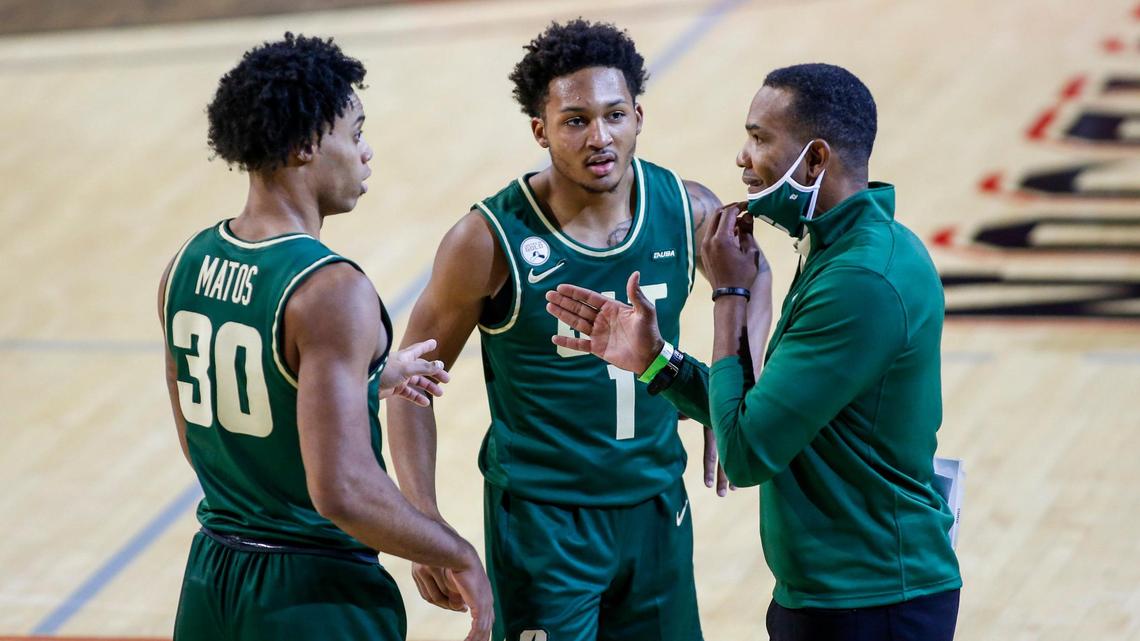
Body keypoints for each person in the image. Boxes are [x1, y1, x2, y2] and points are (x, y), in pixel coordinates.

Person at [545, 63, 962, 641]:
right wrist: (655, 361)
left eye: (760, 138)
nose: (742, 157)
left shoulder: (862, 280)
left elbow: (745, 452)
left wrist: (729, 295)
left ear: (815, 160)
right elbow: (763, 407)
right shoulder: (843, 249)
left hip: (872, 602)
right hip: (837, 592)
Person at [386, 19, 771, 641]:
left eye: (615, 115)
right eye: (576, 120)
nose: (601, 137)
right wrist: (422, 519)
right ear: (540, 130)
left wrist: (734, 390)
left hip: (655, 508)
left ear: (639, 117)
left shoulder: (688, 207)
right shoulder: (486, 240)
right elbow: (411, 381)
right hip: (544, 525)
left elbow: (753, 275)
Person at [158, 33, 492, 641]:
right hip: (311, 594)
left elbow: (206, 437)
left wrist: (365, 377)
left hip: (213, 576)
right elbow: (342, 491)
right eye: (356, 132)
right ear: (307, 144)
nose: (366, 154)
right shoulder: (330, 290)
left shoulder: (185, 264)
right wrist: (455, 550)